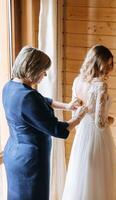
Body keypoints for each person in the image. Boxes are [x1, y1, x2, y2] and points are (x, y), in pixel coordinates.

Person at [2, 46, 87, 200]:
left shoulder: (10, 86)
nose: (45, 73)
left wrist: (66, 106)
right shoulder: (29, 97)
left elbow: (42, 102)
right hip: (31, 161)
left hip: (13, 154)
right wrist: (78, 117)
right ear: (32, 69)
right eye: (43, 69)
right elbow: (57, 129)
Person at [62, 44, 116, 200]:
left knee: (83, 175)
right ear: (97, 63)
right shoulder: (101, 86)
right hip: (99, 137)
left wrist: (80, 129)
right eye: (107, 64)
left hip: (82, 134)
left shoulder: (77, 81)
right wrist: (111, 119)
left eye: (111, 64)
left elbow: (75, 108)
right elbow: (100, 122)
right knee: (100, 177)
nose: (109, 68)